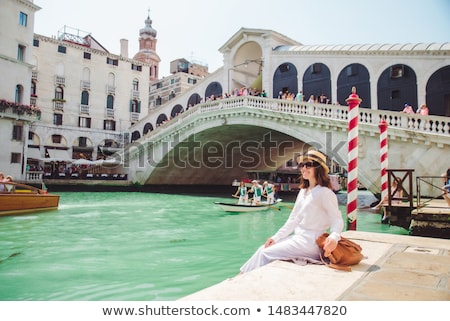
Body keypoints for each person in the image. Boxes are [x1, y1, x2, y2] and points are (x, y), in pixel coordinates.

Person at [239, 150, 344, 273]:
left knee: (265, 253)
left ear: (318, 168)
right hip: (298, 239)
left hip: (312, 242)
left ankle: (244, 279)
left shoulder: (325, 193)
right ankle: (241, 276)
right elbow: (293, 219)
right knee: (263, 248)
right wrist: (276, 237)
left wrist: (334, 237)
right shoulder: (303, 191)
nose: (303, 168)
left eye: (308, 165)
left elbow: (336, 219)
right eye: (302, 165)